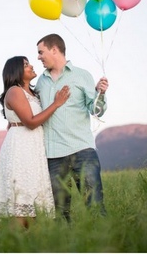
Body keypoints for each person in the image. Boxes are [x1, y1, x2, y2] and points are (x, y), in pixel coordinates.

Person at [35, 33, 109, 221]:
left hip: (82, 151)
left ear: (54, 50)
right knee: (60, 214)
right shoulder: (40, 83)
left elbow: (96, 111)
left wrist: (100, 93)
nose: (38, 57)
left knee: (94, 207)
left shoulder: (82, 75)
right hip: (53, 157)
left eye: (41, 52)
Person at [0, 56, 70, 228]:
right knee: (21, 199)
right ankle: (15, 244)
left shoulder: (33, 94)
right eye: (26, 65)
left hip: (32, 147)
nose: (31, 66)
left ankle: (27, 243)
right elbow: (31, 122)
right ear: (16, 71)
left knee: (30, 199)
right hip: (20, 148)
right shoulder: (14, 91)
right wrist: (56, 104)